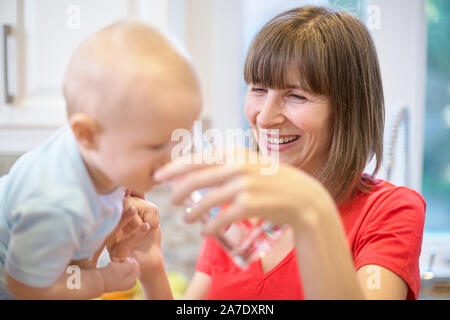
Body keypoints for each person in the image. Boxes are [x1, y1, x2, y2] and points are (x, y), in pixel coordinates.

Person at [120, 6, 426, 300]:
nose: (264, 118)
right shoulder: (235, 204)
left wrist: (310, 208)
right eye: (258, 89)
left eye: (296, 95)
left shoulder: (390, 211)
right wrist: (152, 268)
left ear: (347, 109)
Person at [0, 20, 201, 299]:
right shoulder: (55, 203)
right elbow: (26, 287)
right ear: (87, 135)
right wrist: (102, 281)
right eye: (156, 145)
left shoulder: (104, 156)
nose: (172, 159)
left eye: (180, 139)